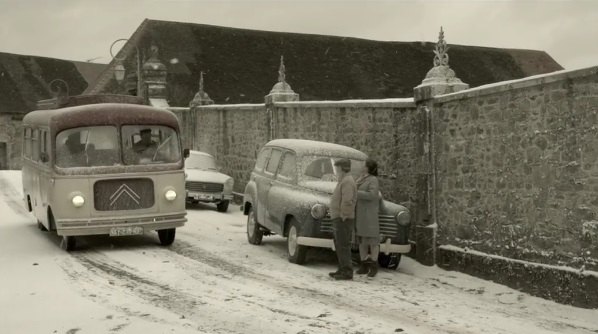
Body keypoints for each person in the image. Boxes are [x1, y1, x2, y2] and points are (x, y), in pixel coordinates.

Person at [328, 158, 357, 280]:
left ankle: (346, 271)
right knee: (340, 245)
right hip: (339, 218)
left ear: (343, 168)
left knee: (343, 245)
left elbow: (347, 201)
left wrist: (343, 215)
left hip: (343, 219)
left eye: (338, 168)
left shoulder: (347, 182)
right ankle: (342, 268)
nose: (336, 170)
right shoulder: (344, 180)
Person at [354, 159, 381, 278]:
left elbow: (372, 195)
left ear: (368, 167)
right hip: (361, 214)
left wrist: (357, 192)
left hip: (369, 214)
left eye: (364, 165)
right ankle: (363, 265)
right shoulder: (361, 178)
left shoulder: (373, 180)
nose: (362, 166)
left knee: (373, 241)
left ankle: (374, 265)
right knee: (362, 240)